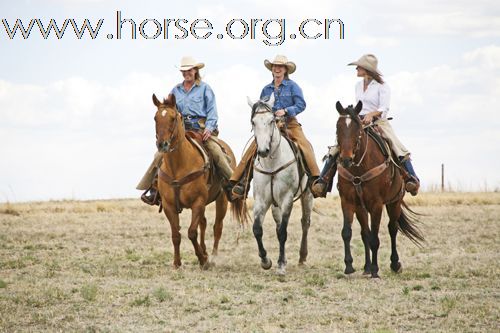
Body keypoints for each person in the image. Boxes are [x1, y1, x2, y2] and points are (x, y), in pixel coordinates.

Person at [311, 54, 420, 197]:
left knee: (397, 146)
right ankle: (323, 181)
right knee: (337, 148)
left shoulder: (382, 86)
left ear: (367, 69)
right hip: (359, 121)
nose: (356, 68)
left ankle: (411, 179)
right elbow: (360, 106)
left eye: (359, 67)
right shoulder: (358, 86)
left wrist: (371, 115)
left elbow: (384, 108)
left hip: (379, 121)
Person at [137, 56, 234, 205]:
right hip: (181, 130)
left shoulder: (205, 89)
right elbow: (170, 111)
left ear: (196, 70)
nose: (186, 73)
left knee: (216, 152)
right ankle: (154, 188)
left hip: (202, 129)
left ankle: (232, 184)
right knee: (159, 155)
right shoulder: (175, 90)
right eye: (184, 71)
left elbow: (212, 111)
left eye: (189, 70)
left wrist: (209, 128)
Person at [229, 55, 320, 199]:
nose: (277, 69)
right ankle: (241, 181)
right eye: (274, 66)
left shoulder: (293, 86)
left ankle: (315, 180)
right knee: (253, 148)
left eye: (280, 66)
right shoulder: (266, 89)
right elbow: (261, 108)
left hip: (290, 123)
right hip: (270, 125)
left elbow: (301, 104)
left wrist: (285, 111)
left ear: (285, 70)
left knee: (304, 145)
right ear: (271, 70)